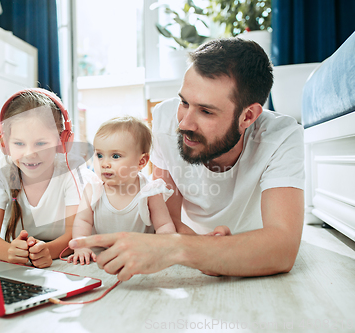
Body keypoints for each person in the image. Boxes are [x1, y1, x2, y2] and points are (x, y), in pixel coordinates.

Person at [70, 38, 305, 280]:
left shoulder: (282, 136)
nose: (183, 124)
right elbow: (167, 216)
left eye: (206, 111)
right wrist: (206, 252)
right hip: (193, 243)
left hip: (252, 257)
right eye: (184, 102)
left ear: (248, 116)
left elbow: (282, 249)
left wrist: (179, 250)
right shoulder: (165, 119)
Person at [0, 88, 90, 268]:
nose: (30, 154)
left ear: (62, 142)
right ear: (5, 145)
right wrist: (9, 252)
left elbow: (75, 234)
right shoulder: (1, 173)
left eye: (41, 143)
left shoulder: (71, 170)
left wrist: (47, 251)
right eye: (19, 143)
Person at [67, 116, 177, 265]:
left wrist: (163, 248)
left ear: (141, 162)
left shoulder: (149, 192)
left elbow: (164, 226)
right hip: (101, 256)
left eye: (115, 156)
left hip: (140, 257)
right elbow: (83, 221)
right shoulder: (93, 188)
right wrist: (82, 247)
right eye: (99, 155)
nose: (105, 163)